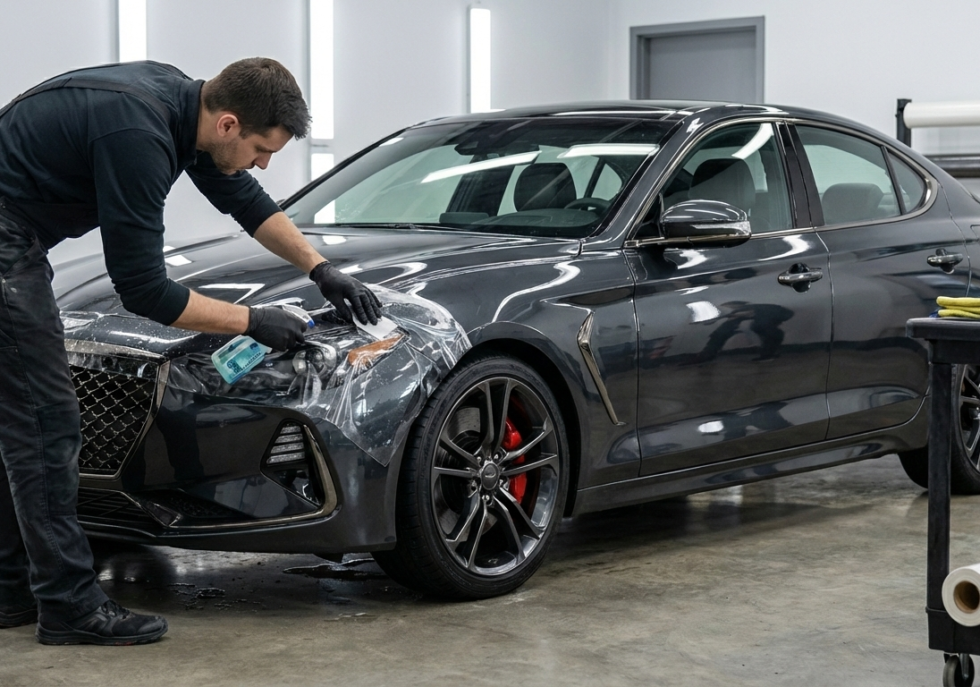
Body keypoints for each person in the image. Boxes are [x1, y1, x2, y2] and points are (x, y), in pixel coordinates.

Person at [0, 57, 381, 646]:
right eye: (261, 148)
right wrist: (253, 321)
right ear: (228, 124)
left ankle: (10, 588)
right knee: (47, 423)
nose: (263, 163)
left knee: (22, 421)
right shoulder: (139, 135)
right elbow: (145, 291)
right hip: (7, 243)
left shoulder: (184, 104)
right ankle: (70, 606)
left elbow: (245, 200)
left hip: (16, 237)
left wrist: (321, 268)